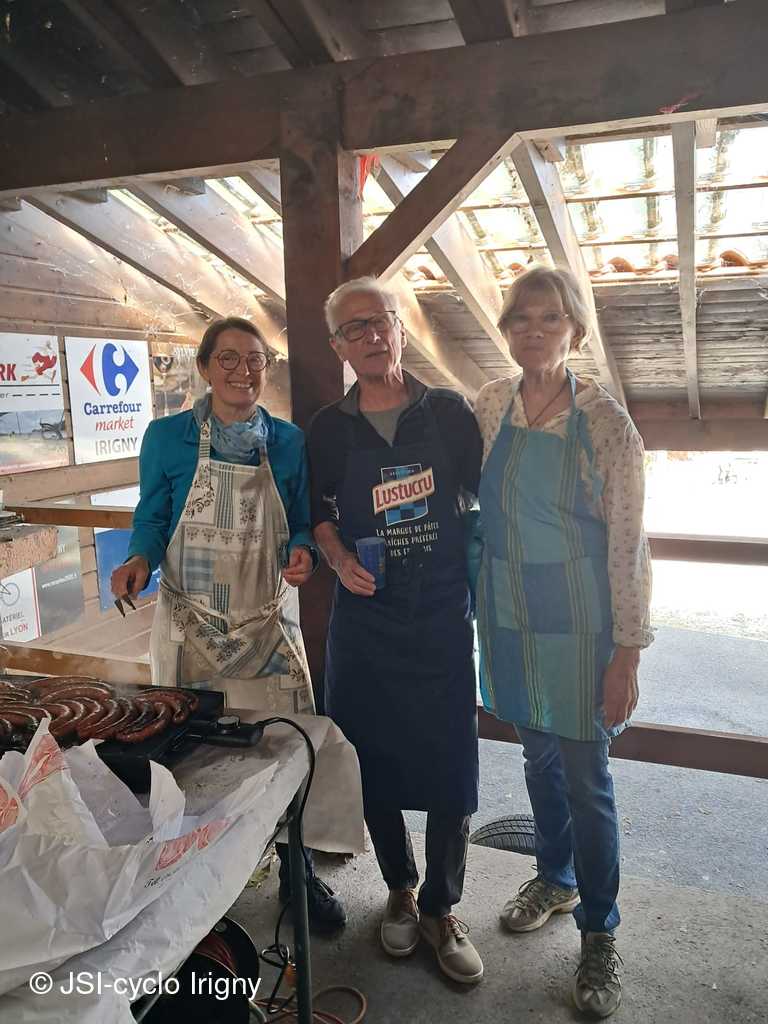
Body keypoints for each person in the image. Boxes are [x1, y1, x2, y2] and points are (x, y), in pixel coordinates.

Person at [110, 316, 345, 932]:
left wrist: (303, 551)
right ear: (205, 367)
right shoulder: (168, 437)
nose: (244, 371)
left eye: (256, 359)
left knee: (288, 744)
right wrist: (138, 560)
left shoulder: (287, 441)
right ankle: (193, 873)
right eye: (229, 359)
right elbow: (152, 517)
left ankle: (297, 871)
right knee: (188, 755)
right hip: (190, 626)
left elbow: (300, 521)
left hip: (264, 622)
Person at [473, 266, 653, 1018]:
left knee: (586, 777)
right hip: (508, 616)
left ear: (574, 330)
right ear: (506, 330)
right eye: (521, 318)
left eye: (550, 318)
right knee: (538, 759)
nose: (534, 330)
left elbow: (628, 544)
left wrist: (627, 653)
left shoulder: (606, 422)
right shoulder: (490, 404)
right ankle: (555, 876)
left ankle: (599, 931)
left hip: (580, 624)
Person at [307, 277, 484, 985]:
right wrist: (336, 556)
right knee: (370, 759)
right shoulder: (329, 427)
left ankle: (442, 906)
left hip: (439, 615)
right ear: (338, 346)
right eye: (355, 328)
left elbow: (489, 500)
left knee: (450, 765)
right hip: (365, 623)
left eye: (381, 321)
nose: (372, 336)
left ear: (401, 330)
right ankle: (401, 889)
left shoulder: (448, 413)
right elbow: (319, 511)